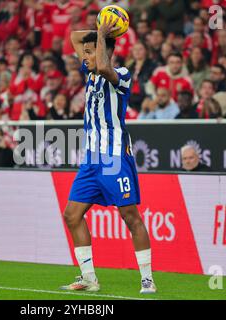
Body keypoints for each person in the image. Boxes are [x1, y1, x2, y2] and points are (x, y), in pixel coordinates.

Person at [62, 17, 156, 294]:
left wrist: (102, 37)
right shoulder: (89, 70)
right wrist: (101, 26)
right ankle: (89, 278)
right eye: (86, 52)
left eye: (89, 52)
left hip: (114, 158)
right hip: (91, 159)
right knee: (72, 215)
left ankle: (147, 279)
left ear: (103, 50)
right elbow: (74, 37)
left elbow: (103, 65)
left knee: (130, 216)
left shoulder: (121, 75)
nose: (84, 56)